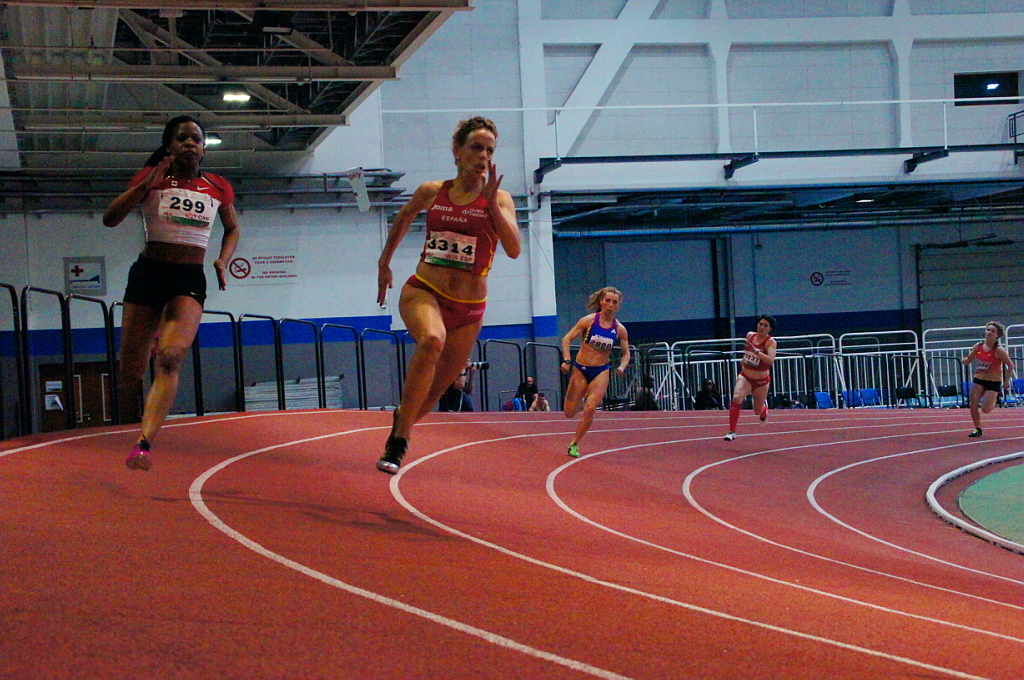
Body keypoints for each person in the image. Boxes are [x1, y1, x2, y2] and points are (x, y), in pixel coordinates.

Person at [375, 117, 520, 474]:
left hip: (468, 310)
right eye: (476, 147)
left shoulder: (500, 199)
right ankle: (399, 441)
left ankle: (402, 420)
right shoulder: (432, 191)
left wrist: (491, 205)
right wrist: (384, 262)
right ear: (457, 151)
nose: (483, 156)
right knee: (431, 339)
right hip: (425, 290)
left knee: (433, 395)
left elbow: (514, 248)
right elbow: (404, 217)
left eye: (489, 151)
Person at [103, 115, 240, 471]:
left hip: (188, 278)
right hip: (149, 274)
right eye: (182, 138)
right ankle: (130, 416)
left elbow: (232, 228)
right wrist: (145, 185)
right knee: (130, 373)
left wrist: (223, 260)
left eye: (196, 139)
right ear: (169, 146)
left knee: (170, 357)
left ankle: (143, 443)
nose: (190, 143)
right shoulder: (152, 178)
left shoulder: (218, 186)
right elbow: (110, 218)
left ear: (204, 149)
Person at [560, 287, 630, 457]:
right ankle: (582, 397)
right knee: (569, 412)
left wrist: (622, 366)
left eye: (614, 302)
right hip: (581, 368)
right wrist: (567, 360)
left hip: (601, 371)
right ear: (601, 301)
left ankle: (574, 443)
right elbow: (567, 339)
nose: (610, 304)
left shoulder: (619, 329)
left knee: (591, 408)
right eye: (608, 300)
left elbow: (626, 352)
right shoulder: (589, 321)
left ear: (618, 305)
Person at [724, 315, 777, 441]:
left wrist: (758, 352)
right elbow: (748, 352)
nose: (761, 327)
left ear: (770, 329)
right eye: (760, 324)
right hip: (746, 376)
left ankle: (764, 411)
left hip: (761, 381)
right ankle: (732, 431)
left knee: (757, 411)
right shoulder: (750, 335)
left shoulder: (770, 342)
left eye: (765, 325)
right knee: (737, 398)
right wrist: (745, 359)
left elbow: (771, 360)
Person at [962, 321, 1015, 438]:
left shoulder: (999, 350)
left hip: (993, 381)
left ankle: (994, 398)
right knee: (973, 403)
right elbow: (969, 359)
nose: (989, 332)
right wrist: (965, 360)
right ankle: (977, 428)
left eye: (993, 331)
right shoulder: (978, 346)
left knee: (985, 409)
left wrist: (1006, 382)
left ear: (998, 335)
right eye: (988, 330)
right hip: (979, 378)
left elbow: (1010, 365)